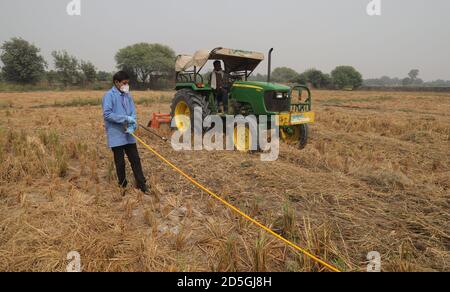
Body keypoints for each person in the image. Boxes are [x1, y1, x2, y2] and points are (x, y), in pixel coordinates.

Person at [102, 71, 149, 194]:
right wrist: (125, 119)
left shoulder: (128, 95)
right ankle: (122, 185)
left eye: (128, 83)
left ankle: (141, 184)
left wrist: (132, 122)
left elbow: (132, 111)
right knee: (120, 162)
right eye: (124, 83)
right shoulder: (109, 96)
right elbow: (107, 114)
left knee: (135, 159)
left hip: (129, 133)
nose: (126, 85)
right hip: (116, 134)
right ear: (116, 82)